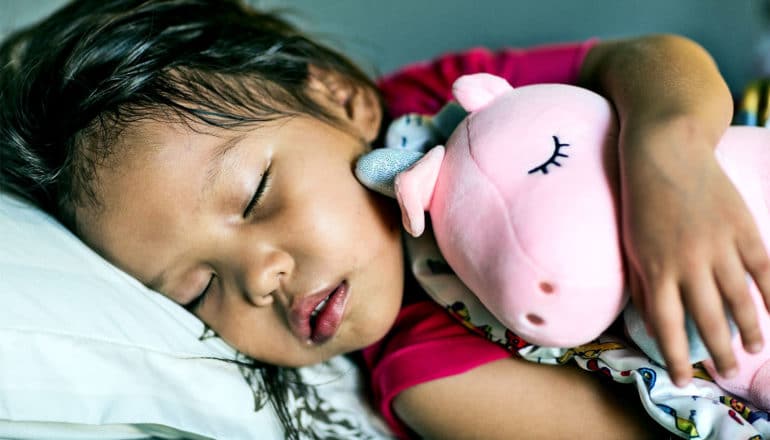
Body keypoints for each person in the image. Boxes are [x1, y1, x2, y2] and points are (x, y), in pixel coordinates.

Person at [1, 0, 767, 438]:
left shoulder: (439, 105)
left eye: (258, 194)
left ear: (341, 98)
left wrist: (669, 157)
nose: (260, 277)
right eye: (199, 290)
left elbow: (648, 59)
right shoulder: (427, 376)